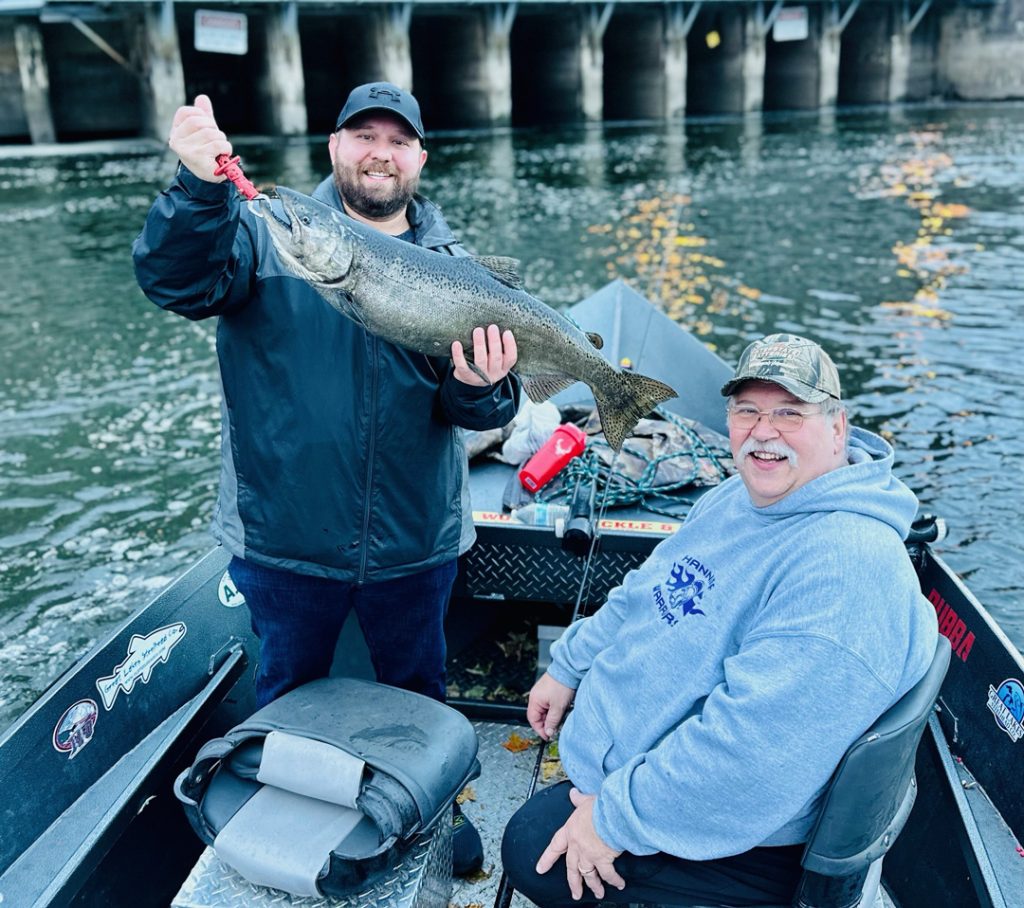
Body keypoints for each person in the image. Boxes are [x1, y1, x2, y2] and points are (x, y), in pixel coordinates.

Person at [132, 82, 521, 874]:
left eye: (397, 140)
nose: (380, 152)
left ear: (419, 158)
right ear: (335, 146)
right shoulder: (260, 234)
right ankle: (289, 839)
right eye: (362, 135)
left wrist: (483, 384)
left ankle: (435, 815)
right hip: (283, 539)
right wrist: (198, 188)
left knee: (419, 695)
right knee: (285, 699)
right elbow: (175, 279)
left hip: (415, 541)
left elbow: (483, 411)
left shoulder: (457, 271)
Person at [501, 333, 938, 906]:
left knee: (530, 847)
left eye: (789, 413)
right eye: (747, 411)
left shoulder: (843, 571)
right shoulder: (738, 497)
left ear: (837, 428)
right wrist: (570, 665)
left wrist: (611, 820)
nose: (763, 431)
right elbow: (648, 589)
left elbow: (751, 756)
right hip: (631, 773)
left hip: (743, 841)